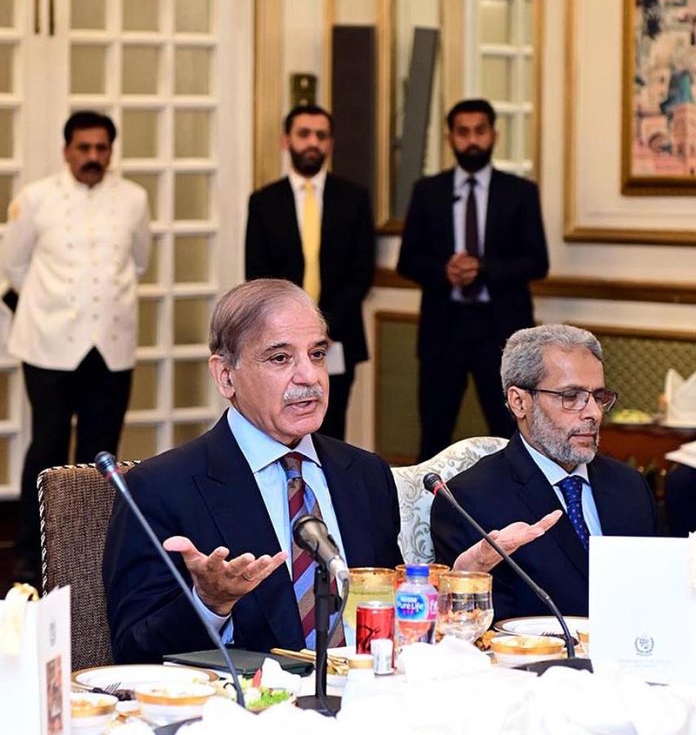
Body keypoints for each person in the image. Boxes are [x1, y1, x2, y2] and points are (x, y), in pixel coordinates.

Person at [103, 279, 560, 662]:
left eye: (317, 354)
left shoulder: (362, 475)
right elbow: (132, 652)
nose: (309, 377)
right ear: (225, 377)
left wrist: (456, 578)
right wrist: (210, 603)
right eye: (280, 359)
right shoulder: (161, 488)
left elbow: (384, 623)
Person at [1, 111, 151, 584]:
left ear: (111, 151)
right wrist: (49, 306)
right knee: (45, 446)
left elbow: (140, 262)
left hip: (111, 346)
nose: (92, 157)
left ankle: (92, 551)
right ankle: (31, 553)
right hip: (48, 345)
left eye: (101, 148)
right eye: (83, 148)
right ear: (67, 150)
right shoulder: (36, 198)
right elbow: (13, 266)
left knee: (100, 453)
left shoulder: (133, 199)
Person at [431, 324, 657, 621]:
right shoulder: (470, 500)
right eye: (571, 396)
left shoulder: (629, 486)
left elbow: (659, 595)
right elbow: (487, 627)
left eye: (598, 396)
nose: (594, 413)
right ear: (519, 402)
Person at [397, 98, 549, 461]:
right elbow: (408, 260)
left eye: (480, 131)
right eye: (463, 132)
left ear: (494, 134)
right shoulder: (427, 191)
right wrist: (443, 271)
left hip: (501, 332)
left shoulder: (519, 192)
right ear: (451, 138)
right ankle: (431, 513)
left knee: (511, 431)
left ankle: (517, 509)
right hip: (443, 329)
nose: (472, 140)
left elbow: (537, 262)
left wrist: (483, 268)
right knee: (435, 432)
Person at [245, 105, 374, 440]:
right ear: (286, 141)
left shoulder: (354, 199)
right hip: (278, 339)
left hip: (337, 337)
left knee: (331, 430)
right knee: (282, 425)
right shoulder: (263, 202)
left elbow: (361, 272)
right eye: (304, 134)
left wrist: (321, 328)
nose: (312, 142)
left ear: (330, 144)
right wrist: (293, 330)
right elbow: (258, 276)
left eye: (321, 135)